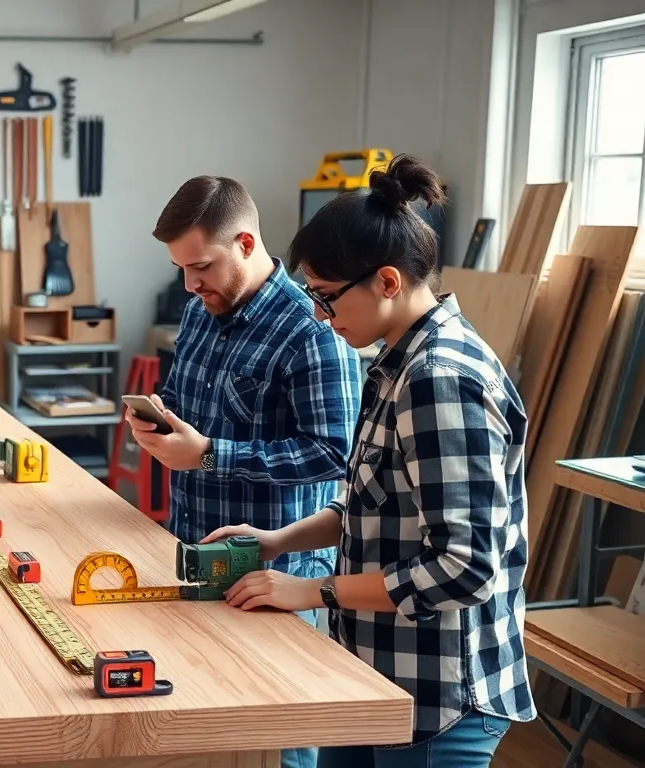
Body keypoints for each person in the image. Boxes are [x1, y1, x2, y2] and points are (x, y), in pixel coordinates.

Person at [203, 155, 535, 767]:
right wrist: (280, 540)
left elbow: (464, 568)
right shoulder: (393, 363)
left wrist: (313, 590)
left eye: (328, 298)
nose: (320, 316)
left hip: (437, 696)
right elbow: (372, 502)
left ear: (386, 281)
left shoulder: (440, 380)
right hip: (375, 672)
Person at [125, 175, 362, 768]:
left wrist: (209, 453)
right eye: (181, 268)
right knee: (212, 735)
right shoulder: (200, 309)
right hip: (194, 552)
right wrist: (158, 425)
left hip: (277, 576)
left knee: (279, 746)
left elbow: (336, 453)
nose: (190, 282)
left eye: (201, 265)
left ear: (248, 244)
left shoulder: (314, 330)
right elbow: (179, 398)